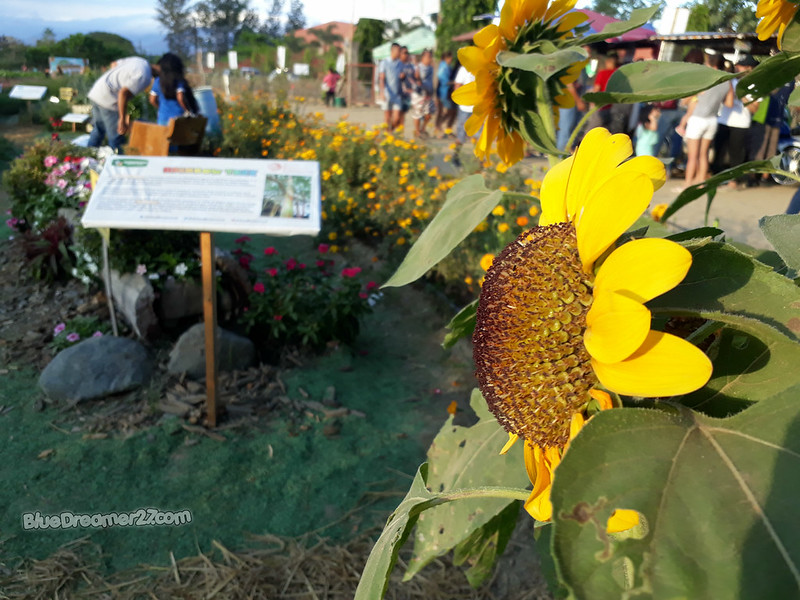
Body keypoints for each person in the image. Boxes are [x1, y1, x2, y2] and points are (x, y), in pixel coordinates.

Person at [679, 53, 733, 189]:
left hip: (697, 119)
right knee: (704, 155)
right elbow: (729, 103)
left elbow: (685, 100)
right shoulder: (726, 81)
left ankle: (687, 184)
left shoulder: (705, 79)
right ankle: (701, 183)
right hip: (712, 120)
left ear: (711, 64)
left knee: (692, 156)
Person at [88, 56, 155, 151]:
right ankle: (119, 164)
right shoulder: (144, 75)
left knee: (98, 130)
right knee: (116, 137)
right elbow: (123, 93)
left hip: (97, 91)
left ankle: (87, 158)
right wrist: (122, 119)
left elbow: (114, 64)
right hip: (108, 98)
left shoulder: (140, 61)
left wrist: (116, 79)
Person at [148, 53, 198, 126]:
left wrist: (161, 108)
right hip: (177, 118)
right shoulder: (178, 80)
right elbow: (180, 98)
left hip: (162, 119)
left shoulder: (158, 81)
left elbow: (152, 100)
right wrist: (187, 111)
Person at [411, 49, 435, 138]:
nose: (430, 59)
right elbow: (416, 80)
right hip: (419, 94)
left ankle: (423, 129)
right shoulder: (417, 67)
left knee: (429, 114)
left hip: (428, 94)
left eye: (431, 57)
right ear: (423, 57)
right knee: (417, 113)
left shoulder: (431, 68)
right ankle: (417, 132)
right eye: (428, 57)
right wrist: (418, 78)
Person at [378, 43, 401, 129]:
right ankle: (387, 136)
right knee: (387, 117)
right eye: (398, 51)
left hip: (397, 95)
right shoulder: (385, 62)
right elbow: (381, 78)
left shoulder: (399, 63)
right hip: (387, 93)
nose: (399, 53)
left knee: (397, 118)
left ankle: (390, 132)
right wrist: (382, 92)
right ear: (393, 51)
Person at [434, 51, 455, 137]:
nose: (451, 60)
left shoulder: (446, 66)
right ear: (447, 58)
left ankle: (439, 126)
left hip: (444, 92)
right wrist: (454, 82)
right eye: (450, 58)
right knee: (448, 111)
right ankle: (439, 126)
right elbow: (443, 80)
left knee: (445, 111)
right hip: (443, 92)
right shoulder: (443, 67)